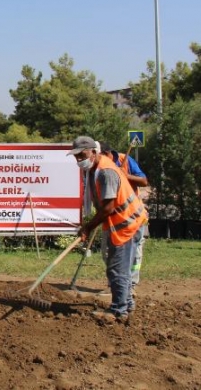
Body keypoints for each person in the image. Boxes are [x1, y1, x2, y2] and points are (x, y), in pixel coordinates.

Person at [68, 136, 146, 322]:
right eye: (76, 156)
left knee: (117, 269)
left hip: (126, 224)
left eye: (82, 154)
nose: (79, 159)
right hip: (121, 223)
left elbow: (108, 208)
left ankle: (118, 310)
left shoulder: (105, 172)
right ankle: (126, 304)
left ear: (94, 152)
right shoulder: (96, 169)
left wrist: (88, 226)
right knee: (120, 269)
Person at [100, 142, 149, 292]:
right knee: (107, 252)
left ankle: (130, 284)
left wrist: (124, 175)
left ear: (107, 154)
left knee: (134, 253)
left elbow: (144, 181)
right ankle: (115, 284)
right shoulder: (101, 167)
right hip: (111, 217)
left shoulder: (125, 160)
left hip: (131, 216)